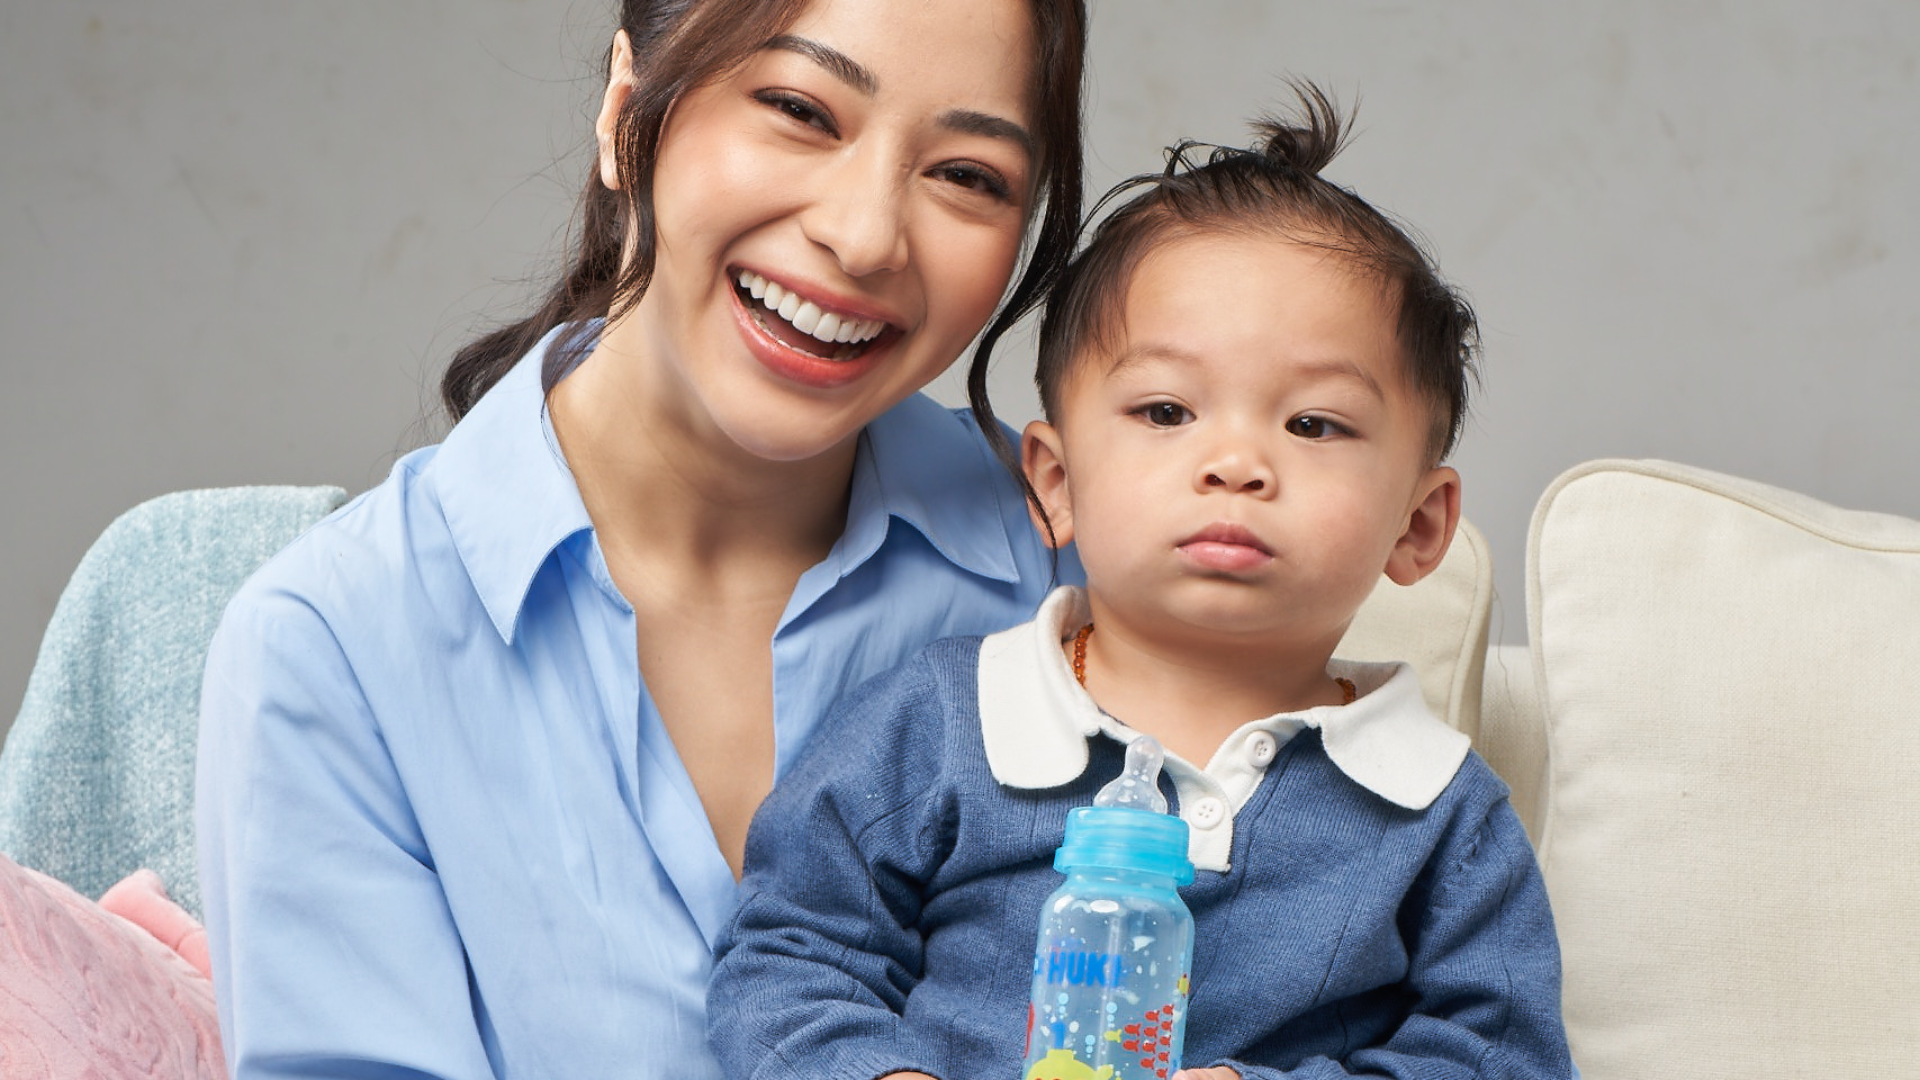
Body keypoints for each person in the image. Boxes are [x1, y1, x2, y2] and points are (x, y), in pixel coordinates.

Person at [194, 0, 1087, 1076]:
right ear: (628, 116)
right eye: (801, 109)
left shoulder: (1079, 570)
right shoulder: (332, 645)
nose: (863, 236)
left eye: (966, 176)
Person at [708, 87, 1574, 1080]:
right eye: (1167, 411)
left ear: (1418, 528)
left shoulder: (1437, 812)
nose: (1236, 463)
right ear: (1058, 483)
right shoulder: (944, 725)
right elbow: (788, 961)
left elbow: (1503, 1057)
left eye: (1314, 424)